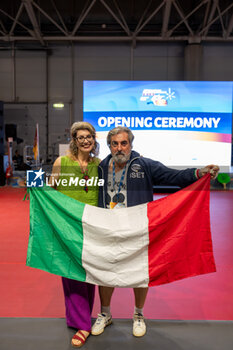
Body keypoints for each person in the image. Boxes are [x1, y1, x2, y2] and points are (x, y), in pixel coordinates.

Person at [91, 126, 219, 338]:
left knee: (140, 272)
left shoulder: (144, 164)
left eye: (124, 143)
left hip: (139, 226)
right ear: (109, 146)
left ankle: (138, 314)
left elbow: (173, 176)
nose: (119, 148)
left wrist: (199, 173)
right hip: (109, 225)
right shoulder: (102, 167)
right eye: (115, 144)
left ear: (131, 144)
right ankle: (105, 313)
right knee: (105, 270)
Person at [49, 121, 100, 347]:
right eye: (81, 137)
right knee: (70, 274)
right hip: (67, 225)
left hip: (93, 227)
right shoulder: (62, 162)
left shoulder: (99, 164)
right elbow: (51, 192)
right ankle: (83, 325)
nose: (86, 140)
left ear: (94, 139)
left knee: (90, 275)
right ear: (74, 139)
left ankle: (78, 318)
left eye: (89, 136)